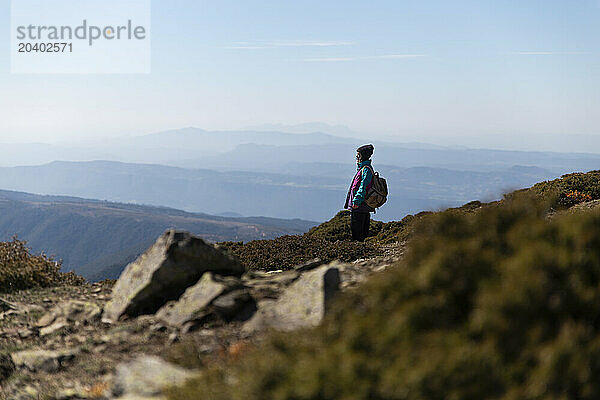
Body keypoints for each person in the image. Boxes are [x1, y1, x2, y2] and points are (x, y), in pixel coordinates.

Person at [345, 144, 375, 241]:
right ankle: (362, 250)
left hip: (359, 206)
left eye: (358, 155)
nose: (356, 157)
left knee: (357, 232)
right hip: (362, 207)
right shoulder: (364, 169)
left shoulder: (366, 170)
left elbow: (363, 187)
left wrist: (356, 202)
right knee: (362, 231)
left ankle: (359, 252)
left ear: (362, 156)